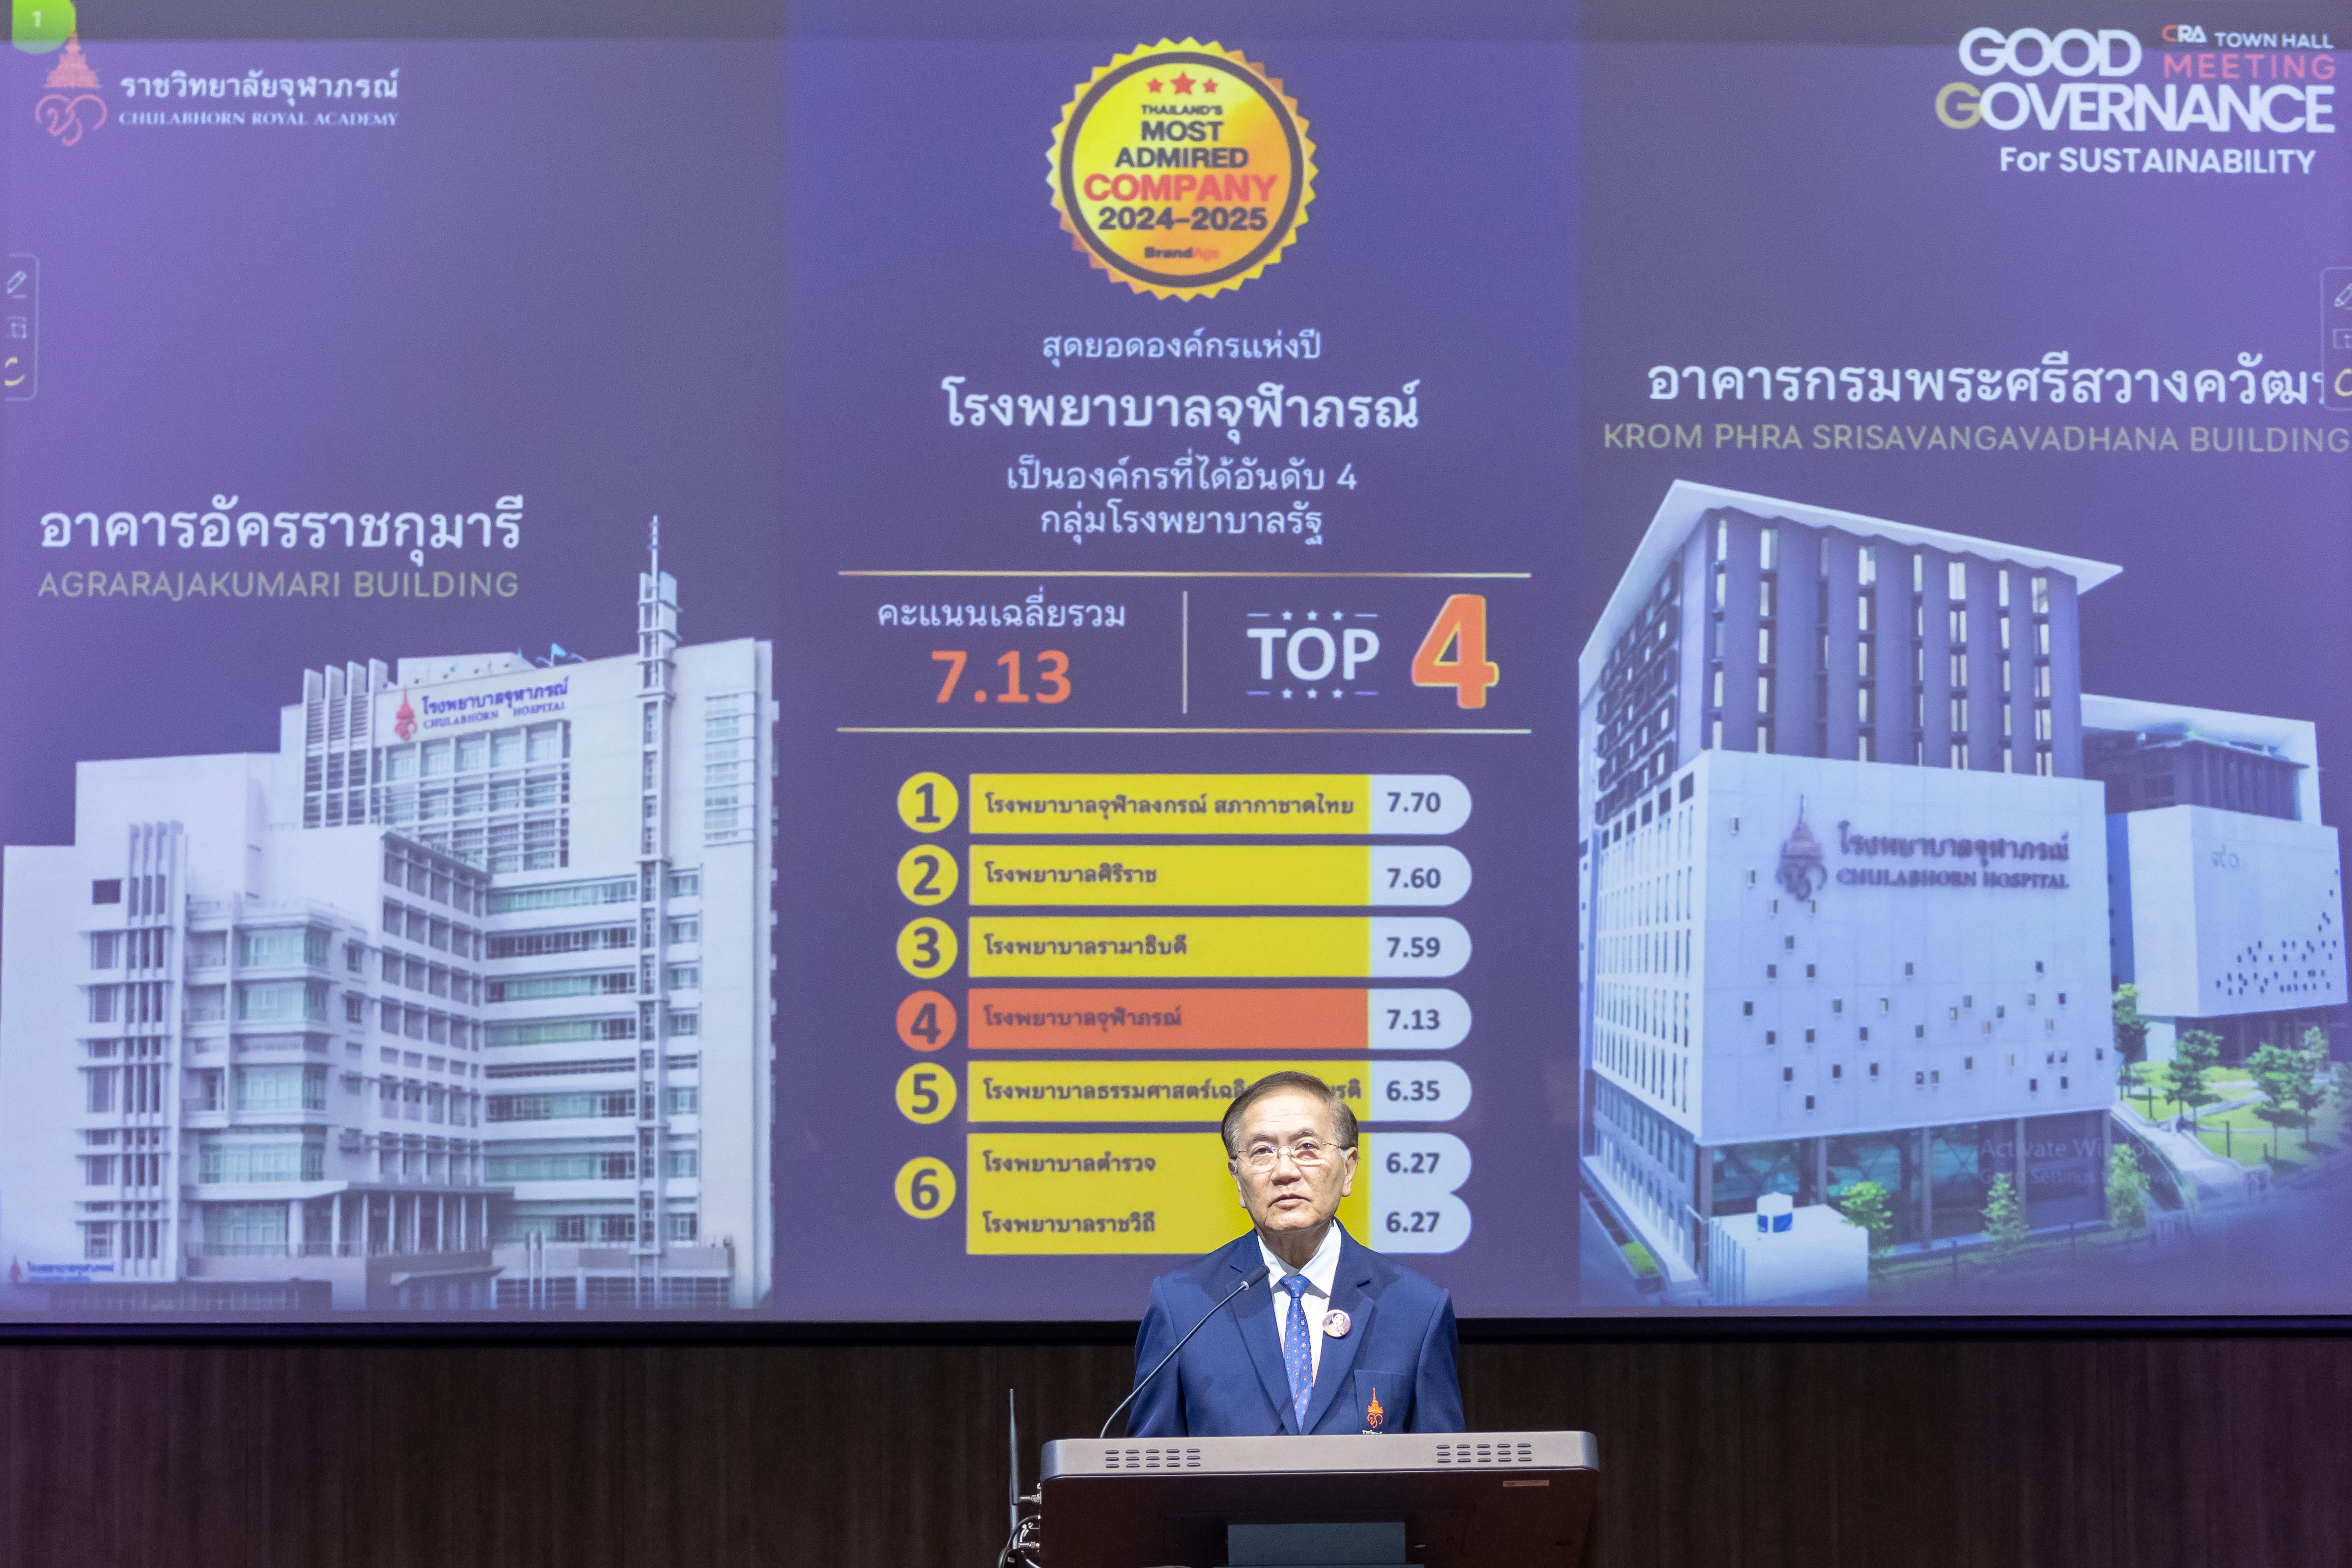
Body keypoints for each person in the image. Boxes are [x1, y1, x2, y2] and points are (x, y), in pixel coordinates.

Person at [1123, 1071, 1464, 1437]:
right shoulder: (1184, 1305)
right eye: (1262, 1152)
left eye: (1307, 1148)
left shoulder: (1417, 1309)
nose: (1285, 1171)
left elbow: (1440, 1464)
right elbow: (1149, 1463)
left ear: (1348, 1169)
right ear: (1237, 1179)